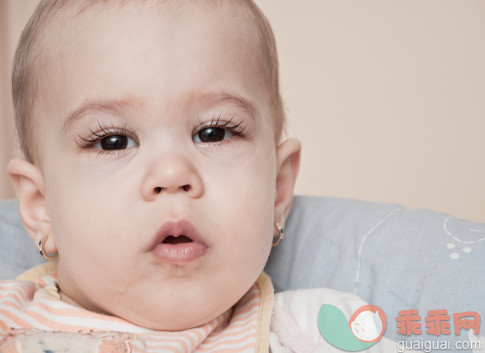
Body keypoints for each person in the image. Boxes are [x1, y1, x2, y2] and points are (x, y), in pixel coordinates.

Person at [0, 1, 408, 352]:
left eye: (213, 132)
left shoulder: (320, 330)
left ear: (278, 189)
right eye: (113, 141)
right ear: (41, 207)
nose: (173, 174)